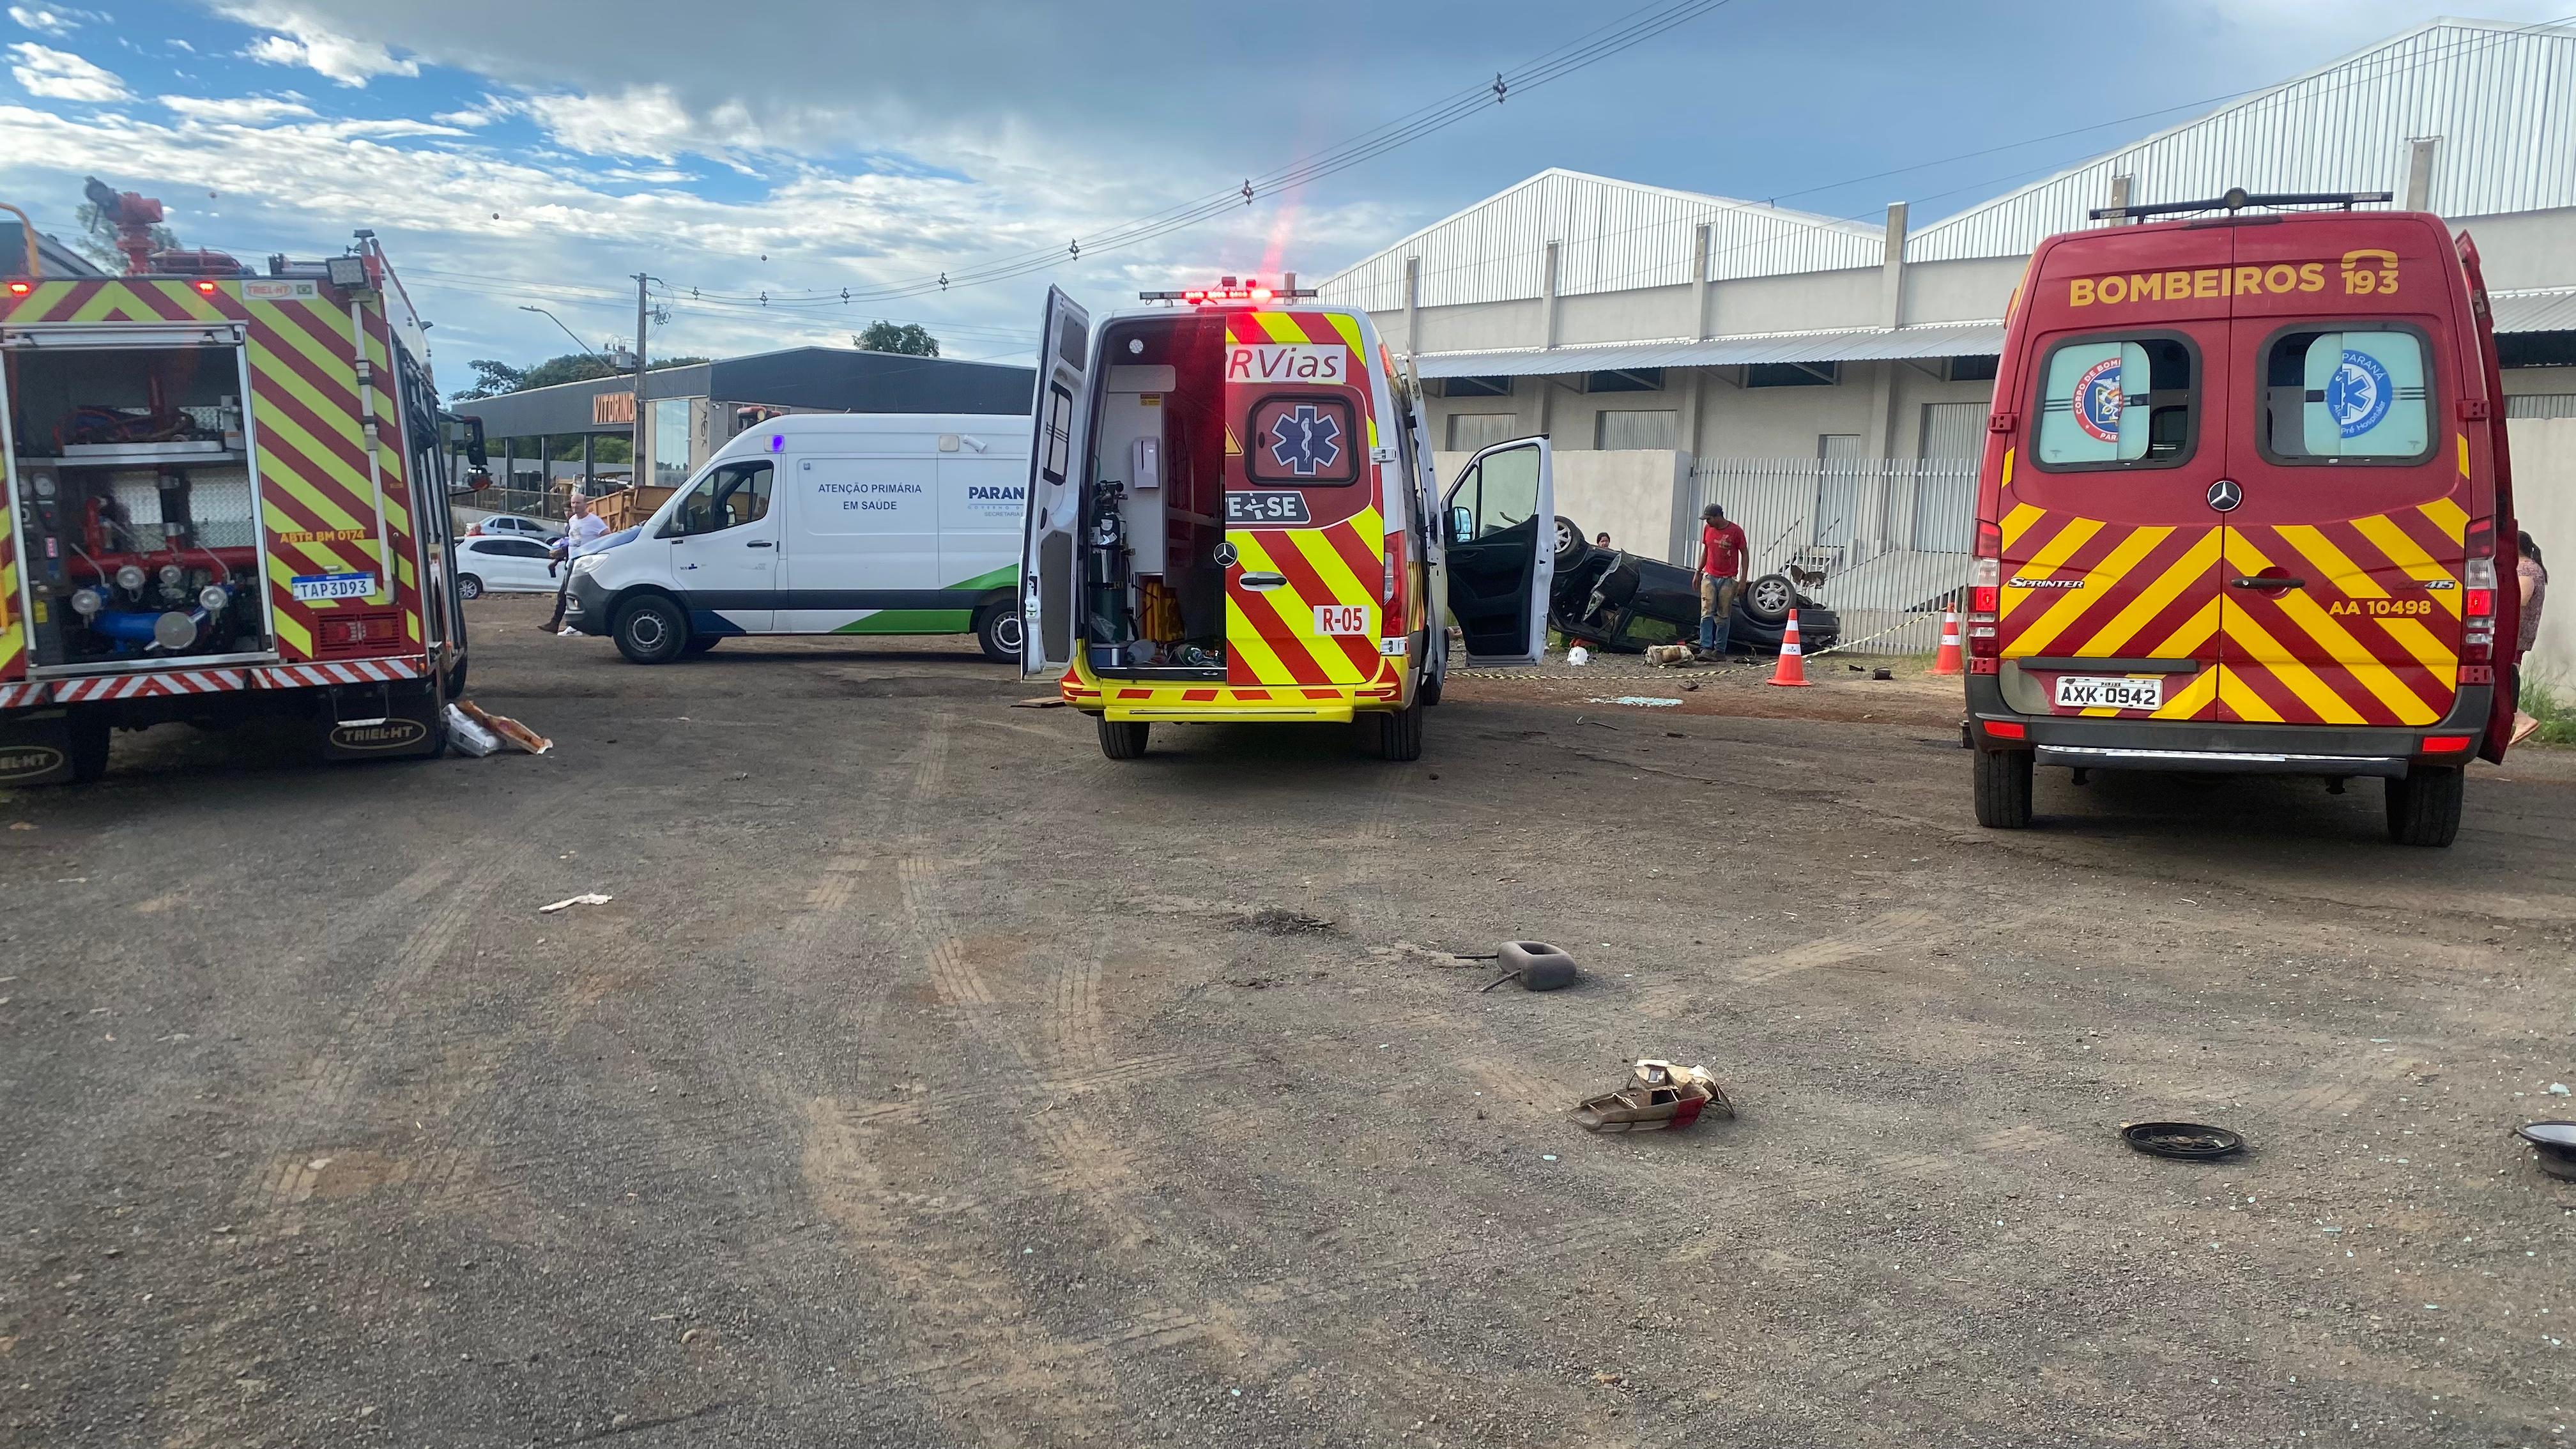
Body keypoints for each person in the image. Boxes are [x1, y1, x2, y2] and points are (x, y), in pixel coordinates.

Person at [545, 496, 610, 633]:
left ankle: (575, 625)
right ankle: (556, 623)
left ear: (585, 505)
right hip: (572, 562)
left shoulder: (594, 521)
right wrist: (559, 557)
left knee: (578, 594)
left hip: (586, 564)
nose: (575, 506)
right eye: (573, 503)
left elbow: (607, 536)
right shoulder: (572, 520)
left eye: (578, 503)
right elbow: (572, 542)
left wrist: (596, 554)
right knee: (564, 593)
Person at [1696, 502, 1749, 657]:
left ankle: (1720, 650)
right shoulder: (1708, 529)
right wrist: (1698, 571)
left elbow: (1745, 554)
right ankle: (1705, 647)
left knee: (1723, 615)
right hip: (1710, 575)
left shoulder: (1736, 531)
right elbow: (1706, 551)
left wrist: (1743, 580)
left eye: (1709, 518)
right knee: (1707, 612)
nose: (1707, 522)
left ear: (1718, 517)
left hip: (1728, 579)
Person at [2512, 530, 2549, 746]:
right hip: (2518, 636)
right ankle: (2517, 720)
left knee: (2503, 681)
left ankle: (2522, 719)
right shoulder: (2532, 567)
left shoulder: (2526, 569)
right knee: (2506, 679)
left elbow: (2521, 598)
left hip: (2513, 635)